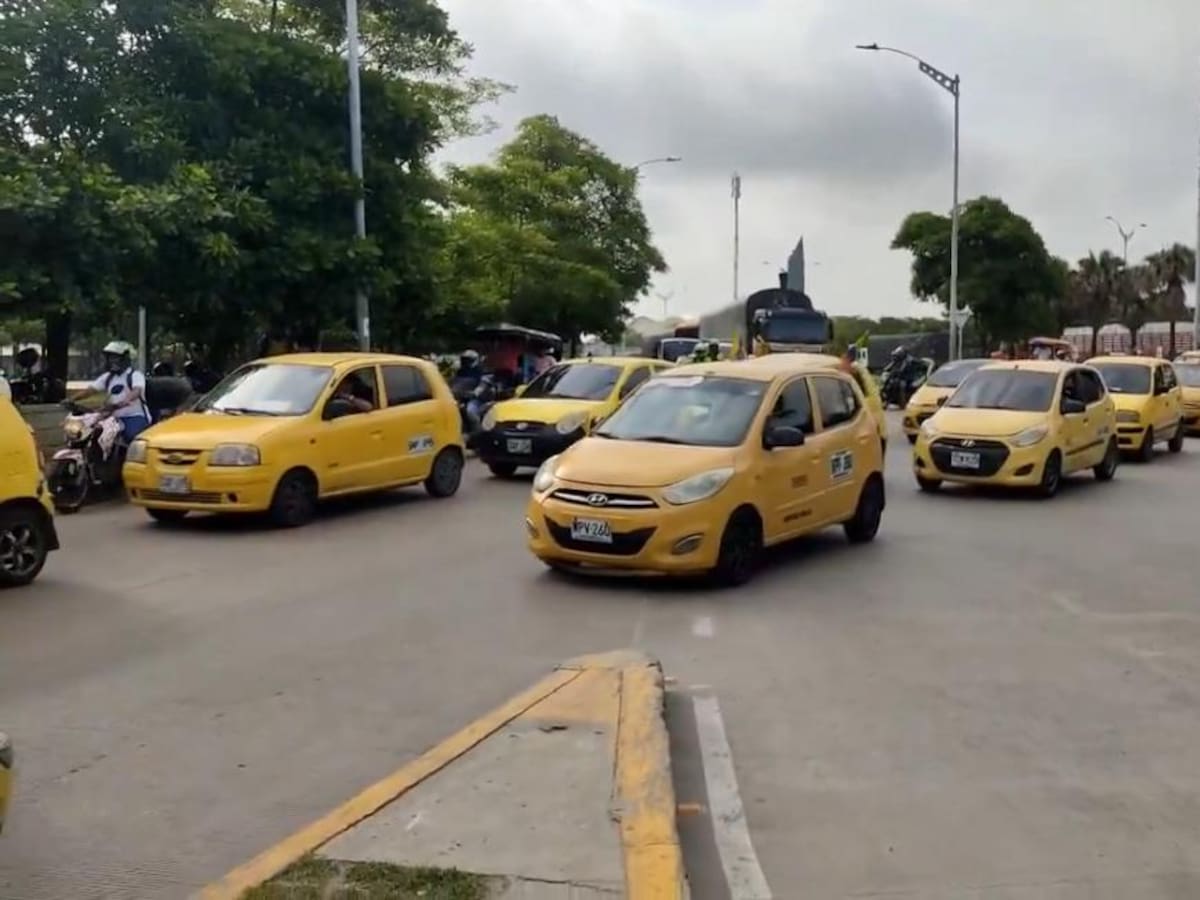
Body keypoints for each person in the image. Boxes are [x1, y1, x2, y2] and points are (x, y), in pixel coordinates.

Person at [76, 341, 152, 443]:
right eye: (110, 357)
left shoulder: (135, 375)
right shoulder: (108, 377)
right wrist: (71, 399)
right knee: (91, 433)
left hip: (134, 416)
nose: (112, 361)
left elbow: (136, 391)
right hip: (112, 418)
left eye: (115, 357)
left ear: (125, 359)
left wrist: (125, 401)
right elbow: (90, 391)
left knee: (131, 437)